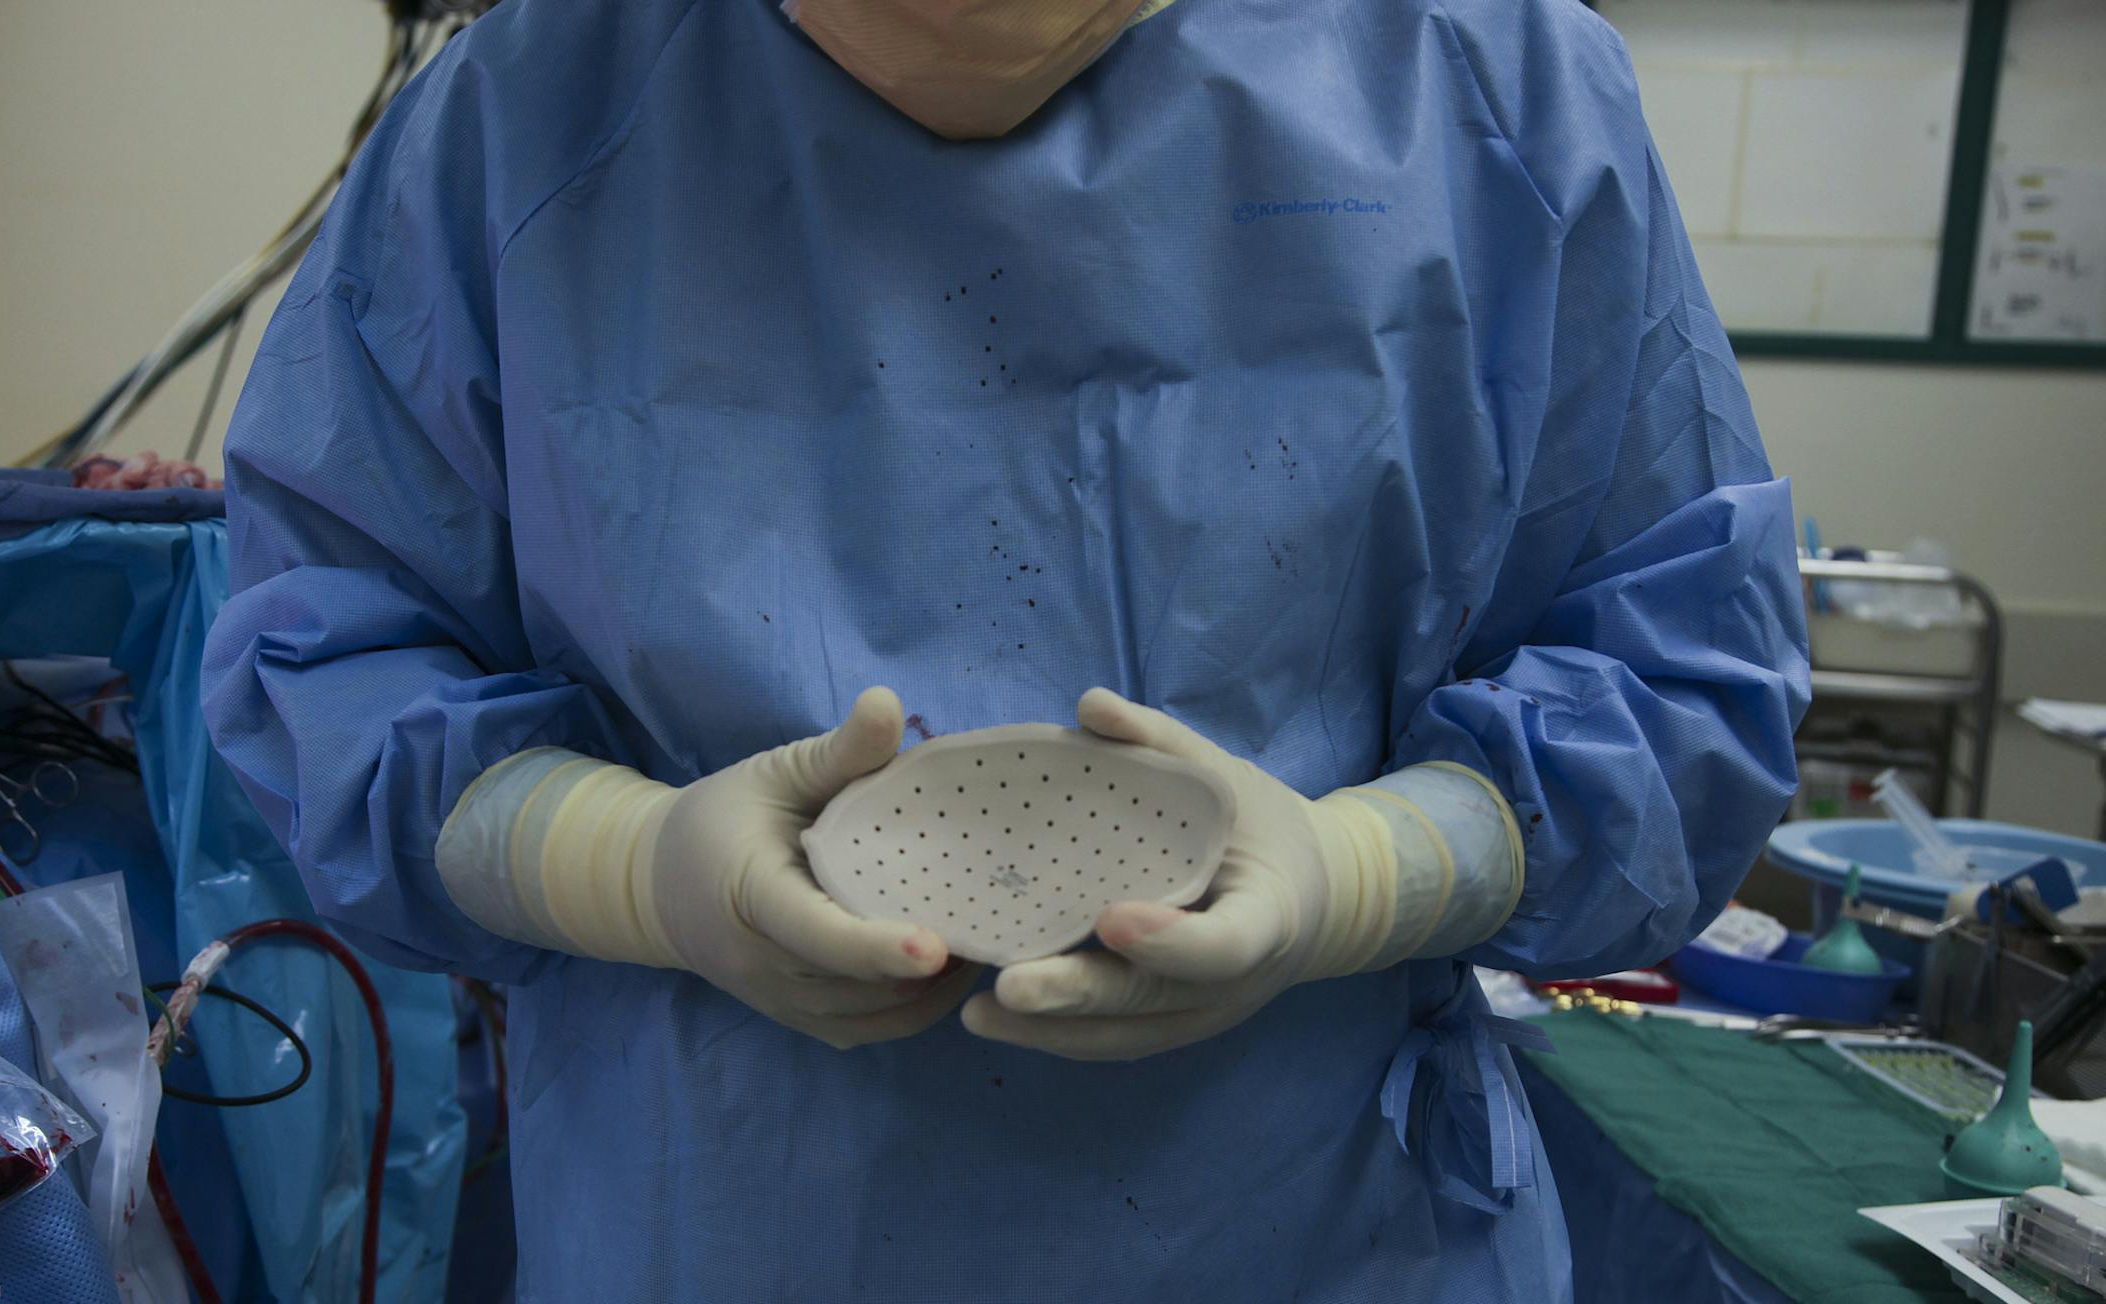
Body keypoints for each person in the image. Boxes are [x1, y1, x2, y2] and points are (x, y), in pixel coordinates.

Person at [201, 0, 1811, 1297]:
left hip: (1324, 1228)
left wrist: (1355, 873)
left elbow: (1675, 684)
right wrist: (633, 865)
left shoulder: (1491, 88)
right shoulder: (526, 120)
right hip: (725, 1228)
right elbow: (338, 672)